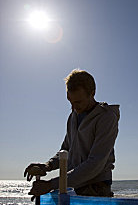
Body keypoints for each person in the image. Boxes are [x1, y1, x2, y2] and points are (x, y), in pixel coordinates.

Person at [24, 69, 120, 198]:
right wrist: (47, 166)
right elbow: (65, 151)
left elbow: (95, 163)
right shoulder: (73, 116)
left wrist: (51, 185)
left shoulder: (106, 117)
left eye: (78, 102)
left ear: (92, 93)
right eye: (70, 101)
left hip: (97, 188)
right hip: (74, 186)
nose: (74, 107)